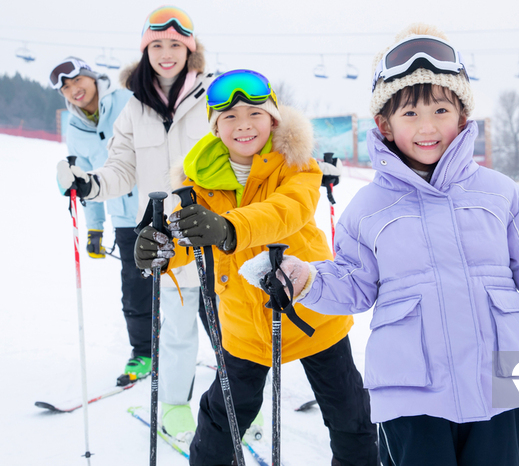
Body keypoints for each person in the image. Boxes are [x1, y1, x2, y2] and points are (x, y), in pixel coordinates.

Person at [237, 24, 519, 466]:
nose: (427, 126)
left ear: (462, 117)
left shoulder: (500, 193)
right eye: (410, 114)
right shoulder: (367, 209)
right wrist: (308, 279)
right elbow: (354, 285)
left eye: (440, 110)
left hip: (503, 382)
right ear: (385, 125)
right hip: (410, 393)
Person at [133, 69, 379, 466]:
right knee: (222, 419)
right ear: (215, 127)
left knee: (350, 414)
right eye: (229, 117)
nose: (243, 125)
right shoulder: (198, 185)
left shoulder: (297, 165)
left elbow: (287, 212)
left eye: (254, 114)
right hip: (244, 323)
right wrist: (158, 251)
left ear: (274, 119)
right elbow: (184, 241)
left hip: (311, 308)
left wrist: (228, 227)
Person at [55, 5, 213, 442]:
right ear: (146, 51)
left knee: (232, 332)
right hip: (165, 240)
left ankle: (243, 403)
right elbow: (120, 168)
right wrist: (89, 185)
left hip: (217, 235)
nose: (166, 54)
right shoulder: (136, 108)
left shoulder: (213, 97)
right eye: (156, 45)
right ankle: (176, 409)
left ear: (189, 49)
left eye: (175, 45)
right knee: (177, 334)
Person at [50, 57, 151, 385]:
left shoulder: (128, 100)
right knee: (135, 291)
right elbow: (86, 181)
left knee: (189, 283)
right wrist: (95, 228)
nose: (73, 90)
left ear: (93, 77)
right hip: (124, 218)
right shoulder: (75, 128)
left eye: (77, 80)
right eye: (66, 87)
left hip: (160, 205)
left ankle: (225, 351)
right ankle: (145, 352)